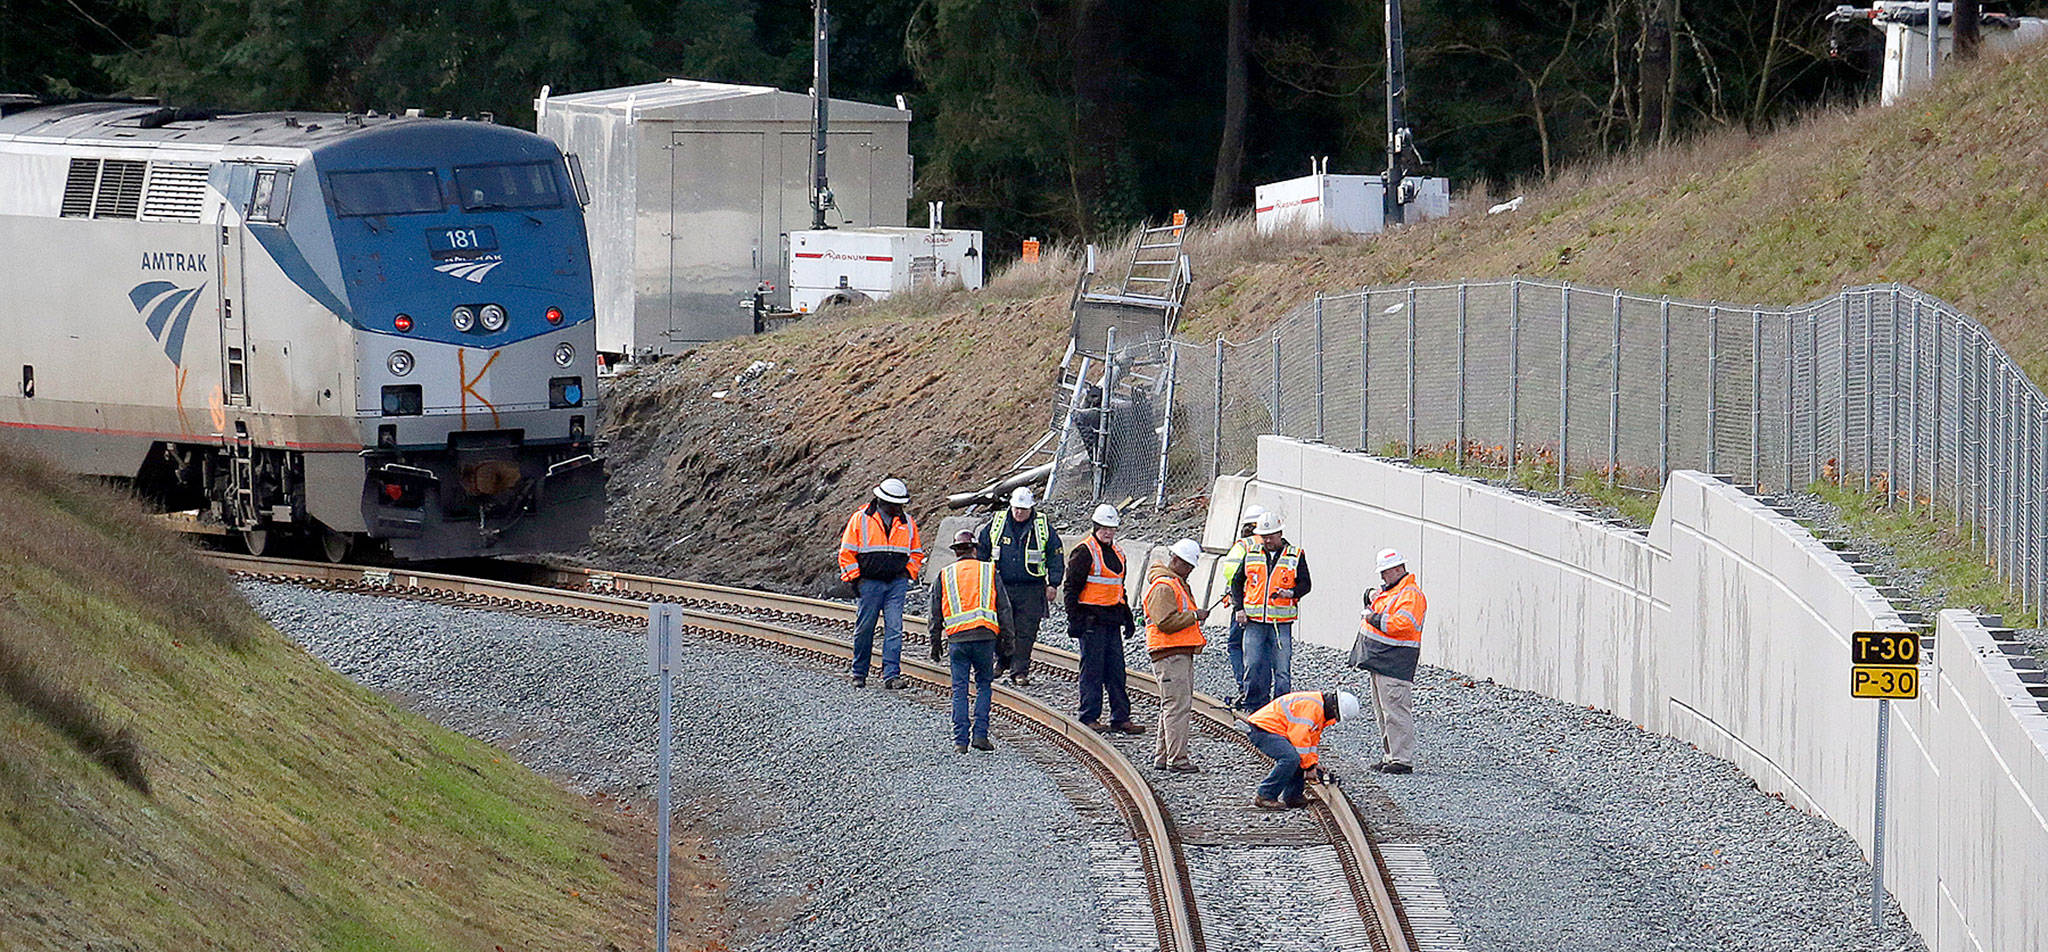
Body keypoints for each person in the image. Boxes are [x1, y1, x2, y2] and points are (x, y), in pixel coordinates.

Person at [931, 528, 1015, 753]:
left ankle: (960, 741)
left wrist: (935, 642)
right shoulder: (989, 571)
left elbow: (935, 613)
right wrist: (1009, 640)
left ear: (956, 551)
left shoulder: (945, 574)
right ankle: (980, 735)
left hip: (957, 639)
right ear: (975, 549)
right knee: (983, 685)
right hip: (984, 638)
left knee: (959, 689)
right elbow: (1004, 608)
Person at [838, 477, 924, 689]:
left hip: (896, 583)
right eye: (896, 504)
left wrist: (907, 573)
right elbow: (847, 553)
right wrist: (855, 579)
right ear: (883, 501)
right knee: (865, 628)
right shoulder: (860, 519)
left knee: (894, 628)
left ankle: (891, 675)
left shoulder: (907, 523)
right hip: (869, 583)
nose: (899, 508)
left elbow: (917, 553)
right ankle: (859, 672)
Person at [1065, 503, 1144, 734]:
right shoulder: (1084, 551)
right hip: (1091, 621)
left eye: (1112, 528)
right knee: (1092, 671)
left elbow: (1119, 588)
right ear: (1095, 526)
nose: (1108, 532)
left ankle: (1121, 717)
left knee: (1116, 671)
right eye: (1104, 527)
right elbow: (1071, 588)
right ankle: (1089, 716)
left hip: (1111, 620)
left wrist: (1127, 617)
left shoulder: (1118, 552)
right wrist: (1075, 621)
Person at [1348, 548, 1427, 774]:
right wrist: (1371, 596)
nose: (1382, 577)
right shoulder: (1394, 592)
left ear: (1398, 569)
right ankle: (1391, 755)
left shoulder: (1410, 595)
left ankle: (1401, 759)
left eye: (1385, 572)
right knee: (1384, 711)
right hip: (1382, 661)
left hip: (1394, 662)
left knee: (1395, 711)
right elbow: (1379, 604)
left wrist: (1373, 618)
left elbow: (1402, 624)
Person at [975, 485, 1063, 686]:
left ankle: (1019, 671)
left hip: (1031, 588)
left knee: (1026, 631)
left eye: (1023, 509)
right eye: (1016, 508)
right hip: (1000, 585)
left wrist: (1053, 583)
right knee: (998, 626)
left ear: (1031, 508)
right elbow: (982, 550)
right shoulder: (997, 523)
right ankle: (1002, 660)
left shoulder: (1042, 526)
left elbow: (1055, 555)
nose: (1019, 512)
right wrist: (981, 579)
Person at [1230, 511, 1312, 711]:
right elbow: (1236, 582)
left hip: (1280, 624)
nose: (1267, 540)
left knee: (1282, 669)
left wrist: (1291, 592)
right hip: (1255, 621)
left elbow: (1306, 584)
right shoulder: (1252, 554)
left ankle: (1281, 709)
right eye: (1264, 536)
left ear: (1280, 533)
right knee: (1253, 665)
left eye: (1271, 536)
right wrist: (1239, 608)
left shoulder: (1295, 555)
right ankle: (1254, 707)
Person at [1145, 538, 1210, 772]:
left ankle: (1164, 756)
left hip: (1174, 653)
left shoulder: (1173, 583)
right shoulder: (1165, 586)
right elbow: (1165, 622)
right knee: (1177, 707)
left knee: (1171, 705)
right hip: (1169, 654)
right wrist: (1195, 616)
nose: (1191, 571)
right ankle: (1177, 759)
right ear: (1177, 561)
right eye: (1189, 566)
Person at [1245, 689, 1361, 809]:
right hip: (1262, 729)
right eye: (1336, 716)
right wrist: (1309, 767)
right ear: (1334, 709)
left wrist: (1313, 764)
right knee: (1290, 758)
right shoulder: (1312, 709)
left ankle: (1293, 797)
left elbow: (1310, 742)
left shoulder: (1318, 709)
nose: (1335, 720)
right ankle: (1265, 795)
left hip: (1273, 729)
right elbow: (1299, 740)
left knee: (1299, 758)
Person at [1217, 504, 1267, 706]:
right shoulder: (1272, 542)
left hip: (1243, 604)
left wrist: (1232, 592)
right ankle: (1260, 690)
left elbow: (1230, 572)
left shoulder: (1242, 546)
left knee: (1236, 645)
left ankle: (1244, 686)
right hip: (1264, 605)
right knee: (1261, 649)